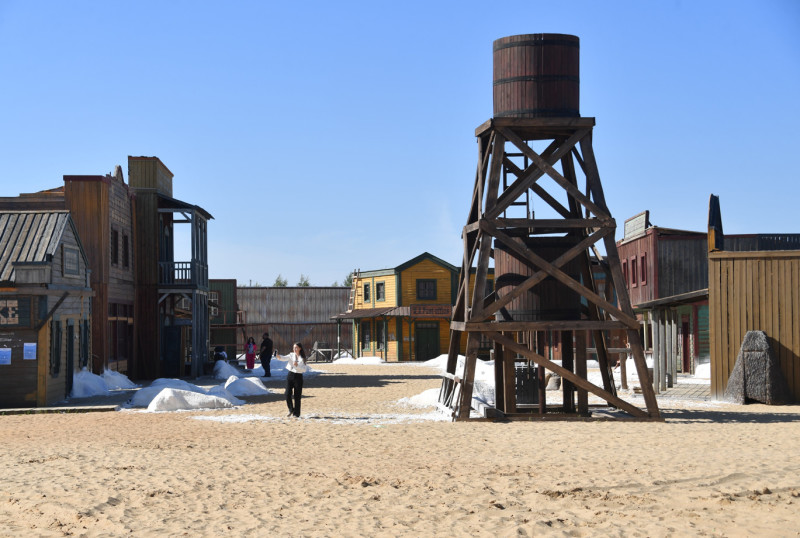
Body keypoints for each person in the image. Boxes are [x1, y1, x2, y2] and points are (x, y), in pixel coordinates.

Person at [276, 342, 307, 418]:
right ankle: (291, 409)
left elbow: (304, 369)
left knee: (297, 396)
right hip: (290, 375)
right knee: (287, 393)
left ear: (300, 348)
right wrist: (278, 356)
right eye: (293, 347)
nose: (294, 349)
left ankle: (296, 413)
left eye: (296, 347)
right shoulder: (291, 355)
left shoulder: (303, 358)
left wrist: (297, 366)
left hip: (298, 376)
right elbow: (284, 358)